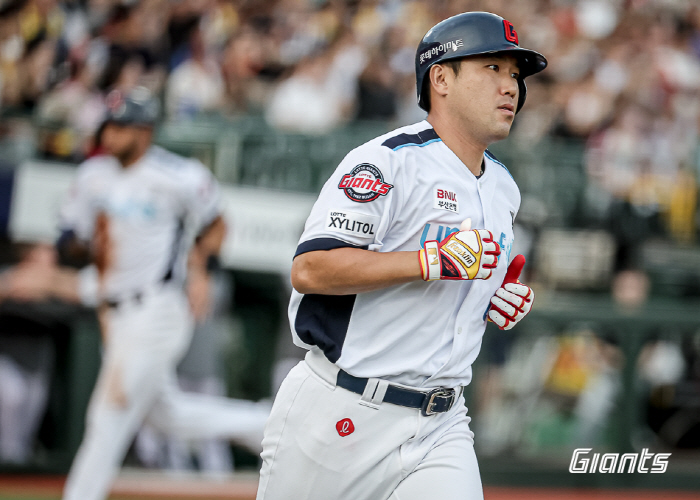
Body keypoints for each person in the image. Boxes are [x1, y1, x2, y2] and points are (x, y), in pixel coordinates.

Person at [256, 12, 544, 500]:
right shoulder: (388, 160)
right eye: (491, 68)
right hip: (342, 411)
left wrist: (491, 298)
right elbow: (311, 269)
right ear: (441, 78)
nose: (510, 85)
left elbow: (459, 276)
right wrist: (428, 261)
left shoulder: (504, 187)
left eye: (515, 73)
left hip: (442, 423)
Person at [8, 87, 269, 500]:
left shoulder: (177, 175)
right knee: (167, 416)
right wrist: (81, 244)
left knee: (107, 414)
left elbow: (216, 224)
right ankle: (263, 424)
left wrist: (203, 270)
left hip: (157, 309)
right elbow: (68, 241)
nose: (110, 134)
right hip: (113, 312)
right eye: (108, 124)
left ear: (144, 130)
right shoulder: (92, 176)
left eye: (121, 125)